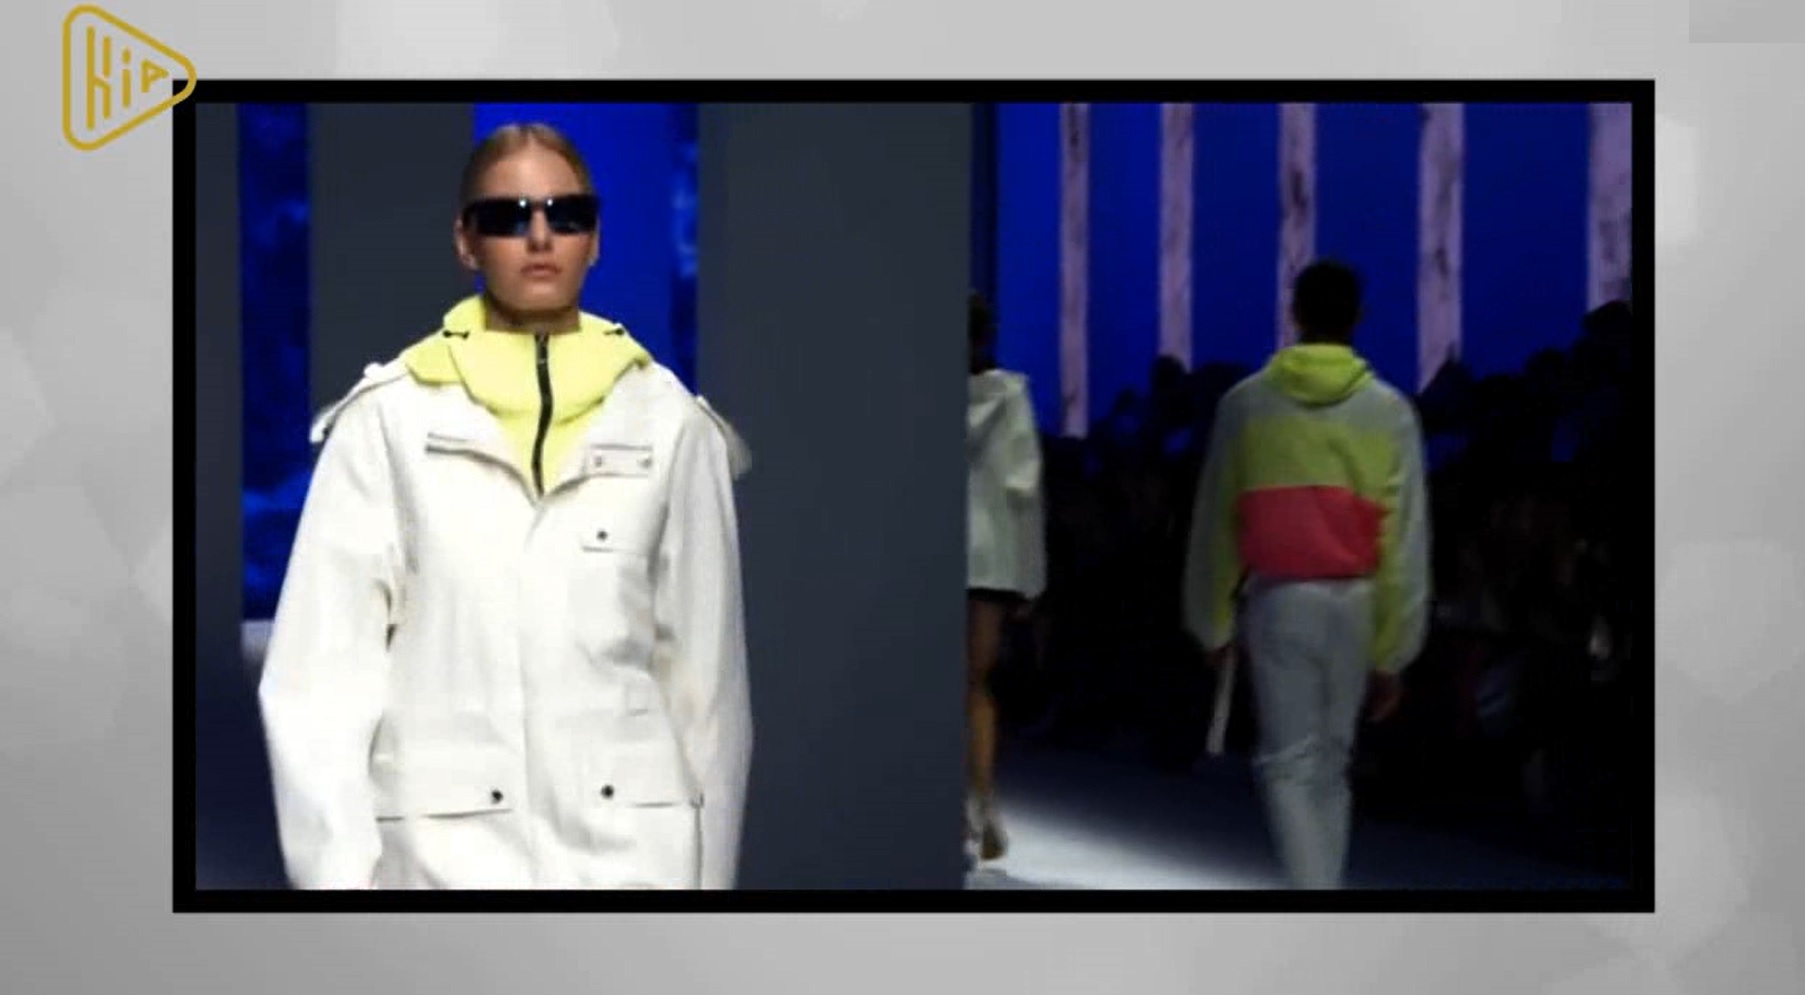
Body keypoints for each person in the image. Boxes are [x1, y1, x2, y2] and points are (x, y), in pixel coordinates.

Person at [257, 122, 754, 890]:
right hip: (442, 861)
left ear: (595, 238)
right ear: (466, 241)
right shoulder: (387, 422)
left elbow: (708, 694)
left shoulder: (670, 423)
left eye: (567, 213)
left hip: (636, 860)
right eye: (508, 215)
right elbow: (318, 684)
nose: (540, 235)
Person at [1182, 259, 1430, 889]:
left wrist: (1211, 620)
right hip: (1357, 601)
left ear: (1294, 312)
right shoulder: (1389, 412)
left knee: (1288, 765)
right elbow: (1403, 539)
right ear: (1359, 316)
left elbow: (1218, 521)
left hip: (1281, 598)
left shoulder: (1246, 405)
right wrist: (1394, 649)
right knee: (1328, 765)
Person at [965, 291, 1046, 862]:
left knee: (931, 684)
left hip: (925, 553)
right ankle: (983, 802)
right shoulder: (1011, 397)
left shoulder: (916, 393)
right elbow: (1024, 489)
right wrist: (1031, 576)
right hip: (990, 558)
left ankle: (953, 807)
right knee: (975, 686)